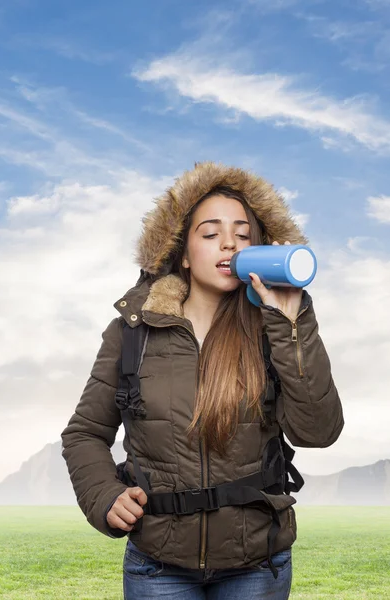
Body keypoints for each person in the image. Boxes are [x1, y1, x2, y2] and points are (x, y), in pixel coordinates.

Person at [61, 161, 344, 599]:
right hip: (158, 569)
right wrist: (103, 497)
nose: (229, 243)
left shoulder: (274, 328)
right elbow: (84, 433)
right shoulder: (132, 332)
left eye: (243, 235)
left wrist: (291, 322)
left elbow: (318, 432)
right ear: (185, 254)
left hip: (256, 565)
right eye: (211, 234)